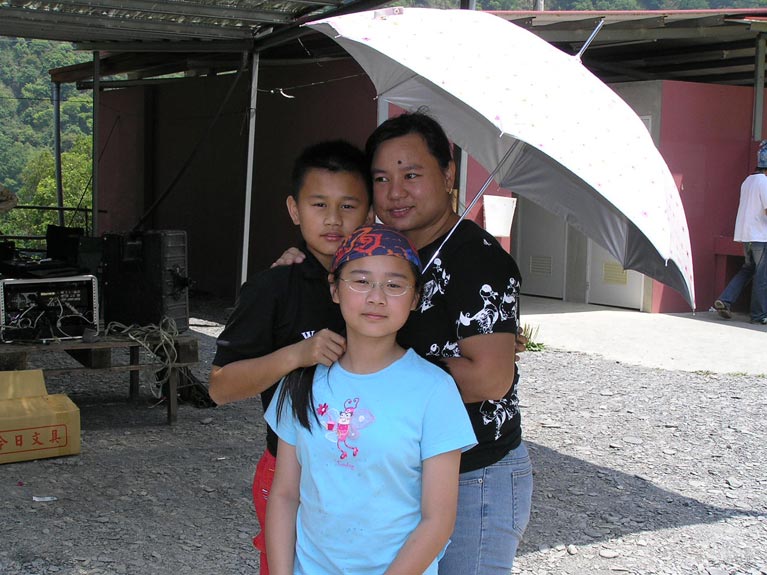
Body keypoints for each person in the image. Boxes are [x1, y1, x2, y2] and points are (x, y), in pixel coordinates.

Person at [273, 111, 533, 574]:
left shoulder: (478, 261)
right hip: (395, 466)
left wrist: (382, 368)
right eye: (381, 179)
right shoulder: (389, 252)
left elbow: (491, 378)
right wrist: (305, 260)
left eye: (411, 175)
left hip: (474, 470)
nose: (395, 192)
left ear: (448, 175)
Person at [265, 224, 477, 575]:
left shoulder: (435, 390)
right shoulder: (302, 380)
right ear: (334, 289)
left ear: (415, 298)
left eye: (394, 285)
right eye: (361, 281)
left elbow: (438, 519)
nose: (376, 297)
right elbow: (285, 494)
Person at [208, 140, 374, 575]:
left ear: (369, 212)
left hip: (372, 474)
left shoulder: (383, 286)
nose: (334, 219)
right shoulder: (273, 288)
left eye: (348, 205)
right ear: (294, 209)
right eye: (319, 204)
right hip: (291, 474)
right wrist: (296, 354)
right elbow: (220, 387)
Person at [713, 141, 767, 325]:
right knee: (762, 275)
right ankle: (759, 315)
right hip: (760, 237)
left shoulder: (748, 181)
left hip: (746, 237)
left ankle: (725, 299)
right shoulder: (764, 182)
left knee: (748, 269)